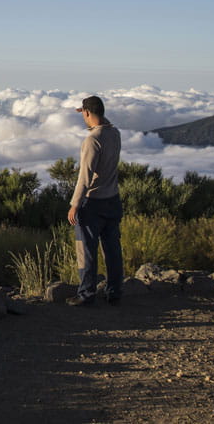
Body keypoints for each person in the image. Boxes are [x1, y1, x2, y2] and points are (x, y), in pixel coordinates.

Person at [66, 95, 123, 306]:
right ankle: (115, 291)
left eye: (83, 114)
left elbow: (85, 176)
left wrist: (75, 204)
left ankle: (86, 294)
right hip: (113, 199)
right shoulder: (114, 133)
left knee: (87, 250)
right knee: (113, 249)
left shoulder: (92, 140)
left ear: (87, 113)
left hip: (93, 203)